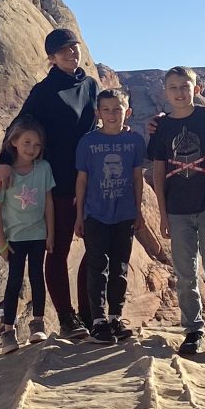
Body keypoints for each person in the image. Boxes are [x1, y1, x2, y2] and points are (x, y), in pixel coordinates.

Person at [0, 28, 97, 339]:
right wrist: (3, 160)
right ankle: (67, 318)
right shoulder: (43, 91)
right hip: (61, 181)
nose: (71, 53)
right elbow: (19, 126)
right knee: (58, 249)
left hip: (90, 178)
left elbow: (106, 117)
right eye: (63, 50)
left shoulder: (90, 85)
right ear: (52, 57)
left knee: (95, 248)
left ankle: (90, 315)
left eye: (74, 47)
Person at [147, 66, 205, 356]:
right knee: (186, 274)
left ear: (196, 89)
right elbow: (158, 172)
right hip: (177, 211)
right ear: (165, 93)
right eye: (173, 88)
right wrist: (162, 213)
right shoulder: (162, 128)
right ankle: (193, 330)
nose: (180, 93)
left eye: (185, 87)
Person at [74, 89, 146, 345]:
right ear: (98, 113)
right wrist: (79, 215)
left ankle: (115, 317)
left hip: (124, 214)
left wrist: (139, 212)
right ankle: (98, 320)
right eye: (106, 109)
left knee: (120, 267)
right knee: (98, 266)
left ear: (128, 112)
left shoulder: (135, 141)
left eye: (118, 109)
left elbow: (138, 179)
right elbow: (81, 180)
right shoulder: (88, 142)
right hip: (95, 214)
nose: (112, 114)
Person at [0, 117, 55, 354]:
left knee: (37, 277)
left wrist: (51, 233)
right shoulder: (5, 174)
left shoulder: (44, 168)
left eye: (37, 145)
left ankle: (38, 323)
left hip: (38, 234)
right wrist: (1, 243)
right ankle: (8, 332)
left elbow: (48, 202)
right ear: (14, 142)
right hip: (15, 237)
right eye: (27, 142)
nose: (32, 149)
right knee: (14, 281)